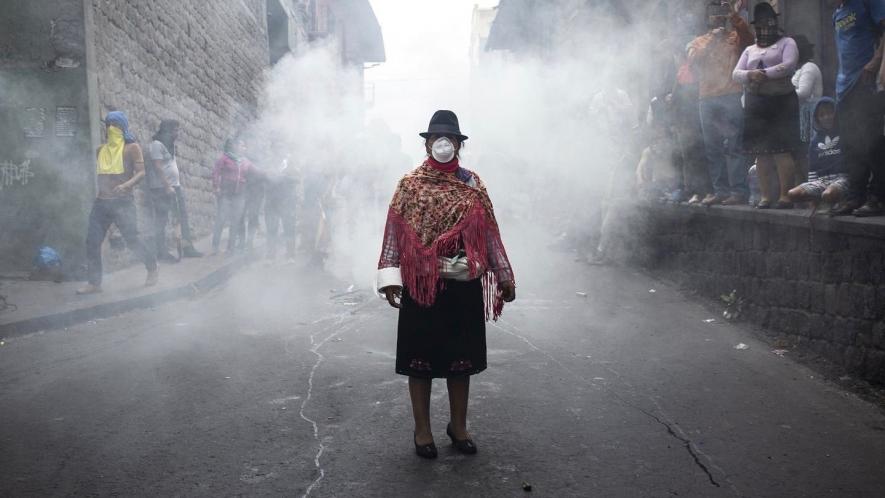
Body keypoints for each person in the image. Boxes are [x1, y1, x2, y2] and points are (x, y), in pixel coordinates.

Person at [376, 110, 516, 459]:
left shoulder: (473, 185)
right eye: (437, 138)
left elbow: (490, 233)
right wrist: (390, 277)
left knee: (460, 361)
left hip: (462, 282)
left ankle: (459, 426)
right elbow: (394, 231)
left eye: (450, 139)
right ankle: (422, 431)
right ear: (427, 144)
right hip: (421, 284)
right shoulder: (409, 185)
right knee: (419, 361)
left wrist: (504, 275)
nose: (443, 144)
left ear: (458, 144)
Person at [77, 111, 158, 294]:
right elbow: (101, 176)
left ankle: (152, 267)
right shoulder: (100, 150)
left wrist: (126, 185)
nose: (111, 128)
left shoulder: (132, 148)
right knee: (92, 241)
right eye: (108, 125)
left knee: (132, 239)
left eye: (115, 125)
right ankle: (94, 283)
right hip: (102, 202)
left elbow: (141, 172)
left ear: (123, 127)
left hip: (123, 202)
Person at [732, 3, 800, 209]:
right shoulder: (749, 49)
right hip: (756, 103)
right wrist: (750, 74)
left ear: (775, 23)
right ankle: (765, 196)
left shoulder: (787, 42)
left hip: (781, 101)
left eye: (768, 22)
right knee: (761, 152)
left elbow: (788, 65)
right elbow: (736, 74)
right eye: (760, 23)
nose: (765, 27)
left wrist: (764, 74)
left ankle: (785, 196)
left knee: (782, 150)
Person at [688, 0, 754, 205]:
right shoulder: (698, 41)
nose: (717, 17)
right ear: (707, 18)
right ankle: (720, 191)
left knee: (734, 145)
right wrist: (711, 41)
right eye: (713, 13)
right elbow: (692, 62)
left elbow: (750, 41)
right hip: (707, 98)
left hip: (731, 94)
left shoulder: (734, 37)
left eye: (720, 13)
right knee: (712, 147)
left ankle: (739, 191)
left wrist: (734, 16)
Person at [829, 0, 885, 217]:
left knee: (872, 143)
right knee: (851, 145)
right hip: (844, 87)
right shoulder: (838, 12)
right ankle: (855, 196)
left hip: (867, 81)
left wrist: (876, 60)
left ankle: (879, 197)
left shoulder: (869, 3)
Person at [146, 119, 202, 261]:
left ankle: (187, 247)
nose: (177, 133)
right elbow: (157, 166)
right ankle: (161, 252)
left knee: (182, 217)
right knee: (162, 219)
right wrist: (167, 186)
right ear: (167, 130)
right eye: (175, 130)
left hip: (175, 186)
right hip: (161, 188)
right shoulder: (156, 145)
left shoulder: (170, 145)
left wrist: (174, 185)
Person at [787, 98, 849, 211]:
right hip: (821, 181)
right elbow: (813, 168)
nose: (826, 117)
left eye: (830, 113)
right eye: (822, 115)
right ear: (817, 119)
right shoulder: (815, 141)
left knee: (828, 194)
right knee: (792, 194)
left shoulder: (845, 134)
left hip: (842, 179)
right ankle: (822, 201)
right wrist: (812, 194)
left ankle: (840, 200)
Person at [211, 138, 256, 255]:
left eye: (244, 146)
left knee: (235, 221)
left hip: (239, 195)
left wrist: (270, 174)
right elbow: (216, 172)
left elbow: (256, 173)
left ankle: (230, 248)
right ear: (235, 147)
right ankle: (215, 246)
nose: (244, 148)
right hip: (225, 194)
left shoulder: (246, 162)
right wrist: (216, 186)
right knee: (221, 219)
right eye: (242, 145)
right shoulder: (224, 158)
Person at [791, 35, 824, 185]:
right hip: (799, 118)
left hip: (810, 118)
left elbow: (803, 93)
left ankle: (813, 184)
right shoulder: (798, 69)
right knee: (799, 154)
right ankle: (801, 185)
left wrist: (782, 92)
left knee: (808, 153)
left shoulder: (809, 67)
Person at [264, 155, 301, 260]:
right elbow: (264, 180)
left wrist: (284, 177)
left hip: (287, 203)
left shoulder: (292, 168)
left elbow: (297, 180)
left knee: (289, 229)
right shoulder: (268, 167)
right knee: (271, 230)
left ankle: (290, 255)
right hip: (272, 203)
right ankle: (271, 255)